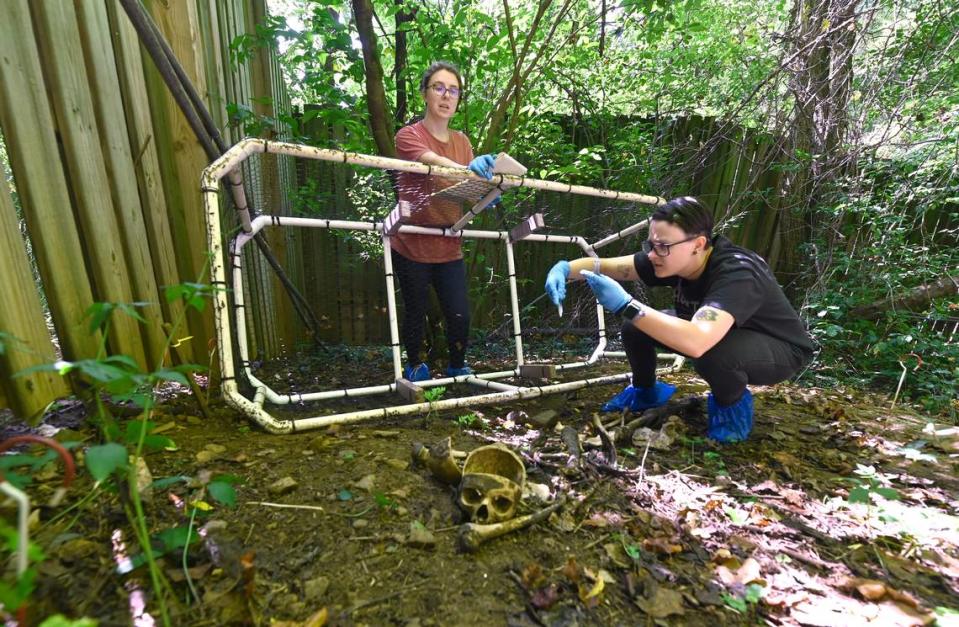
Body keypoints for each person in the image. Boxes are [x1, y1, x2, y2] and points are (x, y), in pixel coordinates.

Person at [544, 196, 815, 442]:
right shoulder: (674, 258)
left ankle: (731, 412)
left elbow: (697, 342)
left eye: (662, 246)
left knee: (712, 354)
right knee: (636, 329)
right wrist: (565, 269)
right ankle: (645, 392)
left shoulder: (737, 271)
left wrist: (626, 304)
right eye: (651, 244)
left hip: (781, 350)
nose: (652, 254)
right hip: (718, 333)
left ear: (698, 244)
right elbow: (606, 266)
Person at [391, 61, 497, 382]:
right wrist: (468, 169)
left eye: (453, 90)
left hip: (449, 241)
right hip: (412, 241)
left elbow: (464, 191)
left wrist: (490, 190)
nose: (446, 95)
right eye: (438, 87)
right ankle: (415, 366)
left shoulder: (463, 142)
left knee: (459, 312)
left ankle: (457, 366)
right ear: (425, 93)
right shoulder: (408, 135)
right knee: (416, 310)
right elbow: (433, 163)